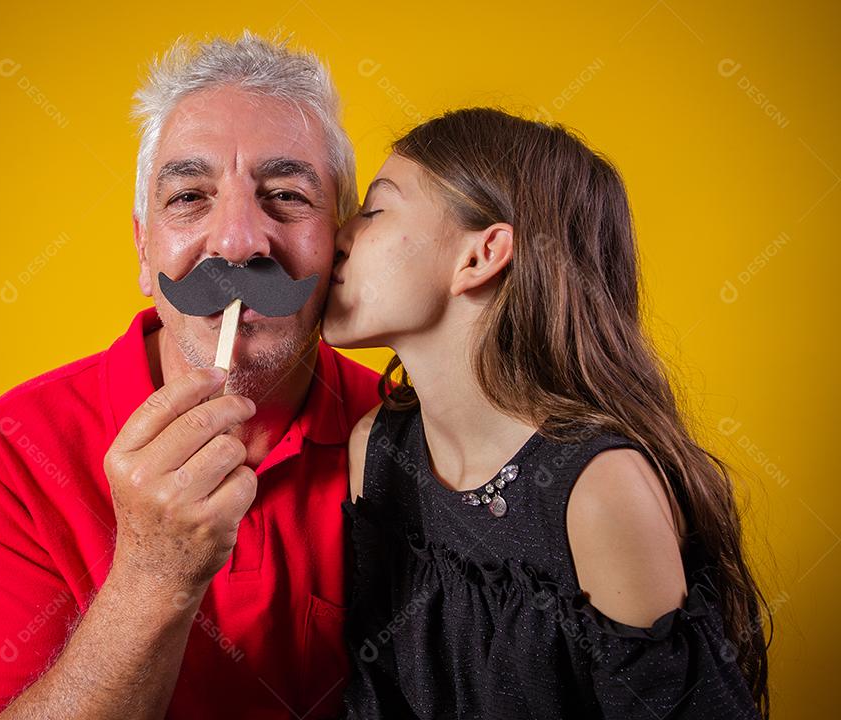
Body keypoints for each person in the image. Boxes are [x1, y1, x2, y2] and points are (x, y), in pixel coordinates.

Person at [0, 32, 379, 720]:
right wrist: (156, 574)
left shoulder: (412, 435)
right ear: (144, 251)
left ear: (341, 246)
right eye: (190, 196)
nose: (238, 241)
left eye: (287, 196)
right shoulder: (10, 454)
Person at [323, 107, 770, 719]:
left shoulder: (599, 493)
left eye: (374, 210)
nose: (339, 234)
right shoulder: (375, 451)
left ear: (481, 256)